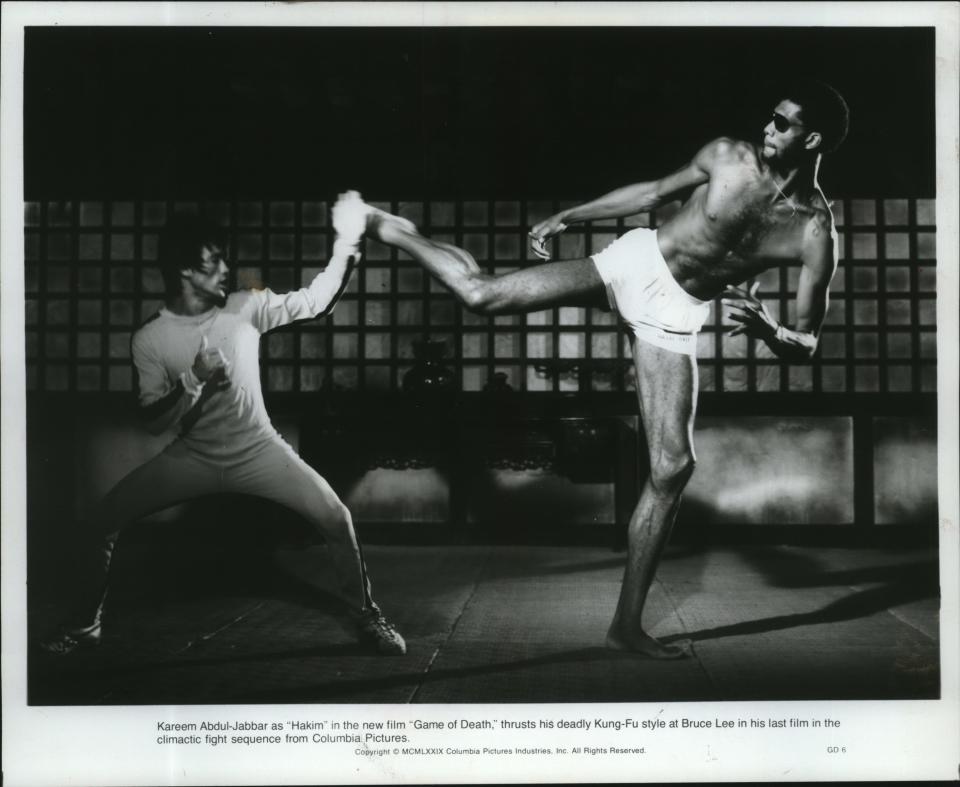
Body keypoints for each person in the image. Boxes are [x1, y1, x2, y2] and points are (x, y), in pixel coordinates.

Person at [340, 79, 849, 658]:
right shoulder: (729, 155)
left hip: (674, 313)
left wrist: (773, 331)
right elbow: (654, 192)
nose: (767, 129)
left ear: (813, 141)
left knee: (673, 466)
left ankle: (625, 626)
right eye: (770, 117)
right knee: (481, 296)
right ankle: (389, 227)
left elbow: (807, 343)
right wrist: (569, 216)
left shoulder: (813, 232)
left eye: (782, 124)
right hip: (637, 263)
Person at [41, 200, 406, 656]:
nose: (227, 269)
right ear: (185, 271)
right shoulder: (150, 338)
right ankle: (83, 625)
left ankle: (367, 616)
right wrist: (193, 378)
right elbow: (155, 422)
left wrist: (348, 243)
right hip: (191, 455)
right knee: (100, 524)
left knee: (336, 516)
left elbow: (315, 301)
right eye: (215, 261)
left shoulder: (244, 307)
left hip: (259, 449)